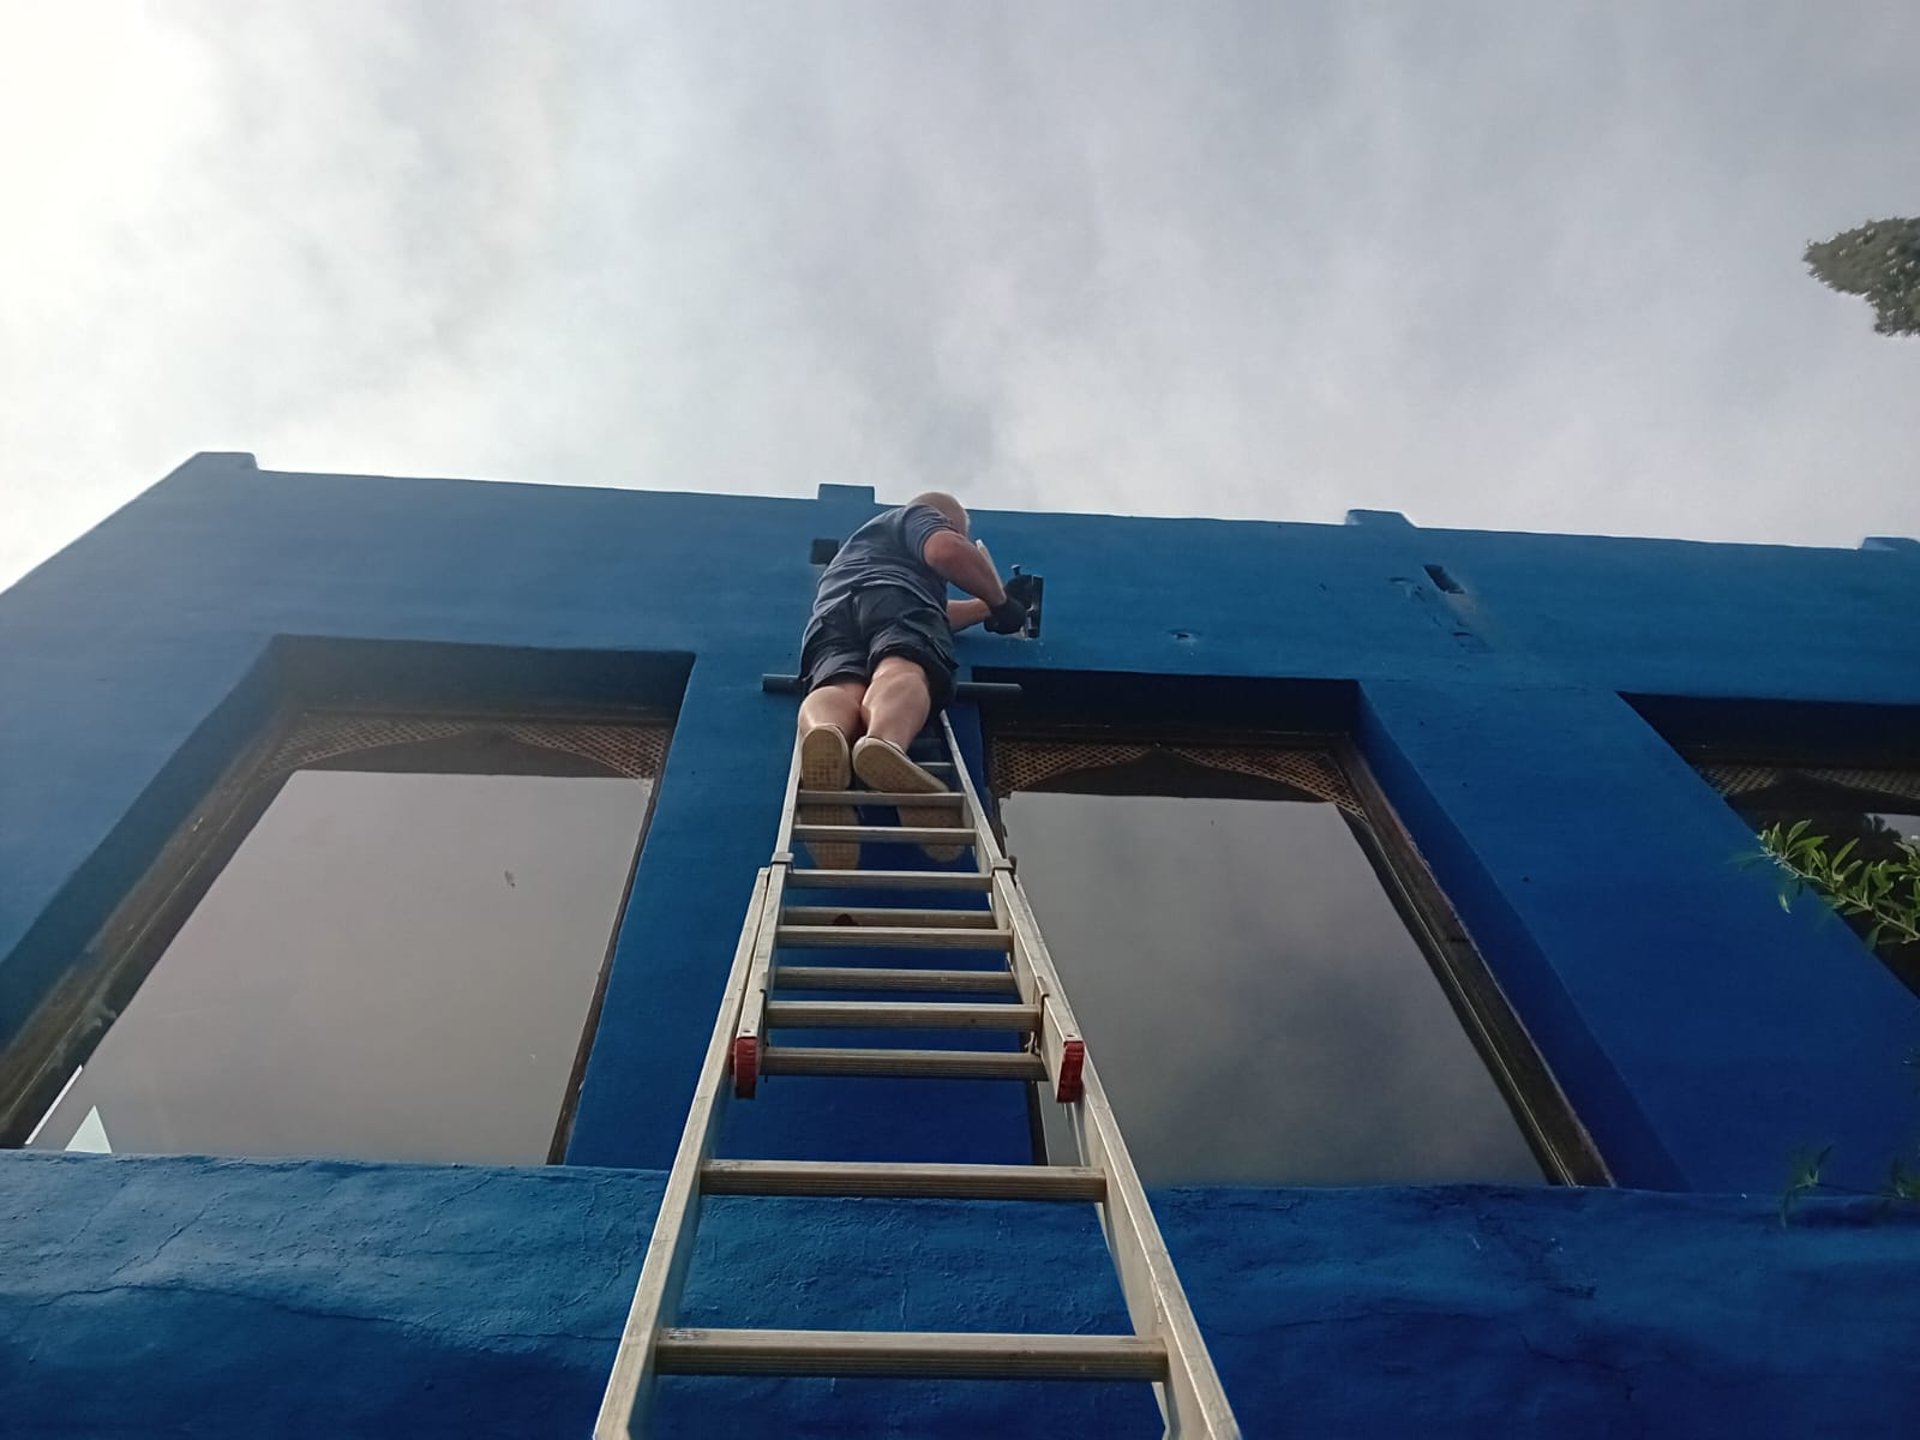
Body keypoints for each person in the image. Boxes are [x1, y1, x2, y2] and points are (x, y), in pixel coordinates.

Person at [795, 491, 1028, 867]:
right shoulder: (918, 517)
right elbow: (946, 553)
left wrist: (987, 607)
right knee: (900, 667)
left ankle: (827, 736)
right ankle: (883, 744)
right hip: (895, 600)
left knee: (840, 685)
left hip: (832, 618)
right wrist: (1001, 601)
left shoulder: (855, 555)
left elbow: (938, 613)